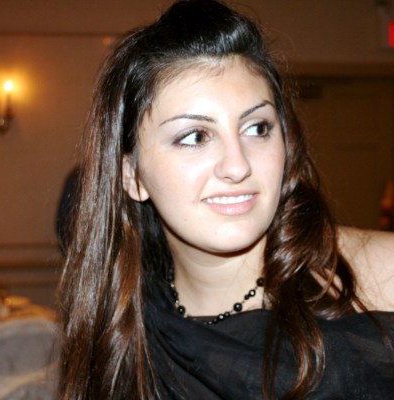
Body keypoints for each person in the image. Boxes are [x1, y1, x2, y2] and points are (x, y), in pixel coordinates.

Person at [57, 1, 394, 399]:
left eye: (257, 128)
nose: (237, 166)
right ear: (133, 177)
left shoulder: (381, 273)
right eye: (195, 137)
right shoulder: (121, 328)